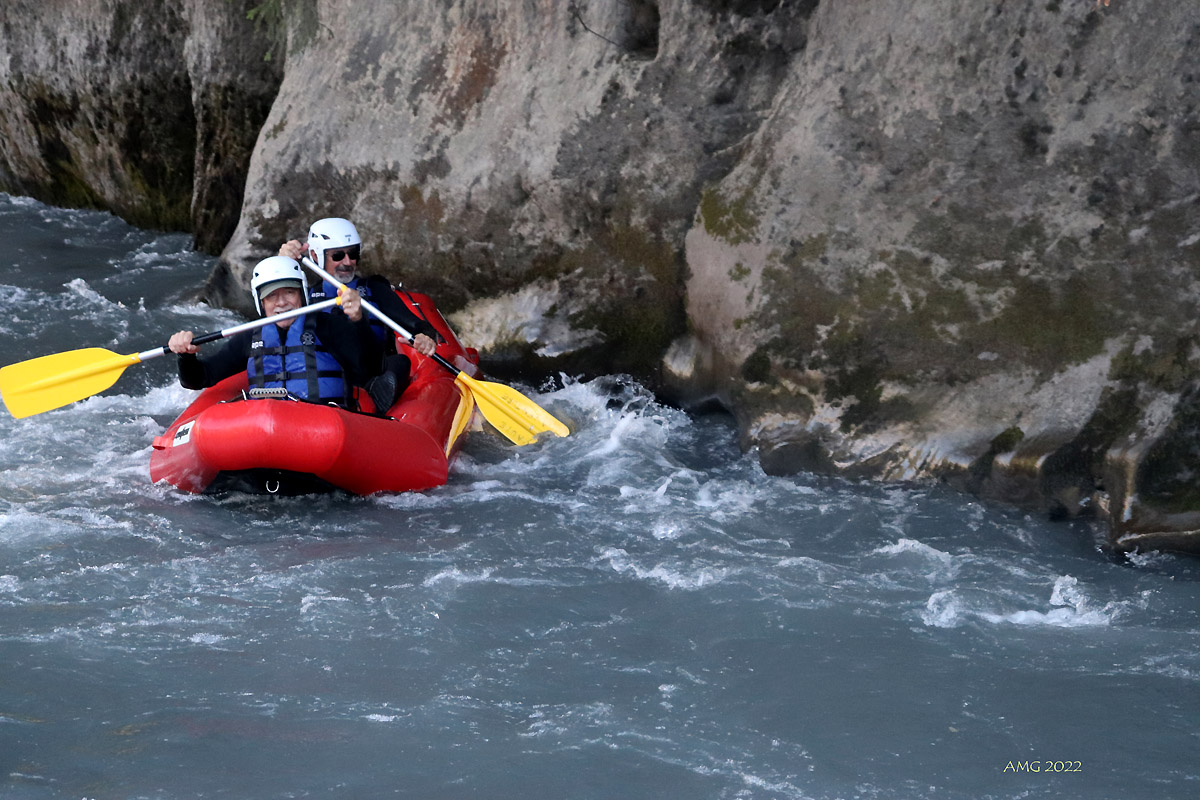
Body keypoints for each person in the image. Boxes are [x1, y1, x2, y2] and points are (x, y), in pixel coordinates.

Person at [168, 255, 384, 411]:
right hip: (265, 433)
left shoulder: (328, 326)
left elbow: (371, 367)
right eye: (272, 296)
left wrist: (358, 320)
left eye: (289, 292)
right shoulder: (250, 336)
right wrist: (185, 356)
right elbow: (198, 379)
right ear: (261, 302)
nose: (282, 303)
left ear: (301, 294)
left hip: (323, 428)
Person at [279, 218, 439, 411]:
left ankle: (375, 401)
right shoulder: (307, 298)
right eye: (338, 255)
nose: (348, 262)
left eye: (353, 253)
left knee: (400, 362)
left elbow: (417, 325)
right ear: (314, 255)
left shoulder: (374, 289)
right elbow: (275, 327)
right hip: (324, 377)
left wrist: (426, 337)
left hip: (370, 374)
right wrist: (283, 264)